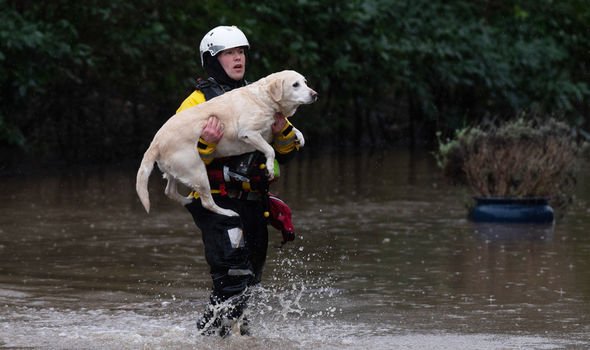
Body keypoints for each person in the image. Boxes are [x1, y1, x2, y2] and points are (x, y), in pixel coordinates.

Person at [176, 25, 301, 336]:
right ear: (212, 60)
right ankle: (205, 340)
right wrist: (205, 143)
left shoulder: (261, 95)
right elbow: (177, 160)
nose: (237, 59)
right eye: (229, 53)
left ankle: (238, 340)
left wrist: (283, 129)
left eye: (241, 52)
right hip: (216, 202)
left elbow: (286, 154)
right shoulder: (195, 102)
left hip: (254, 203)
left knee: (250, 285)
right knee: (233, 277)